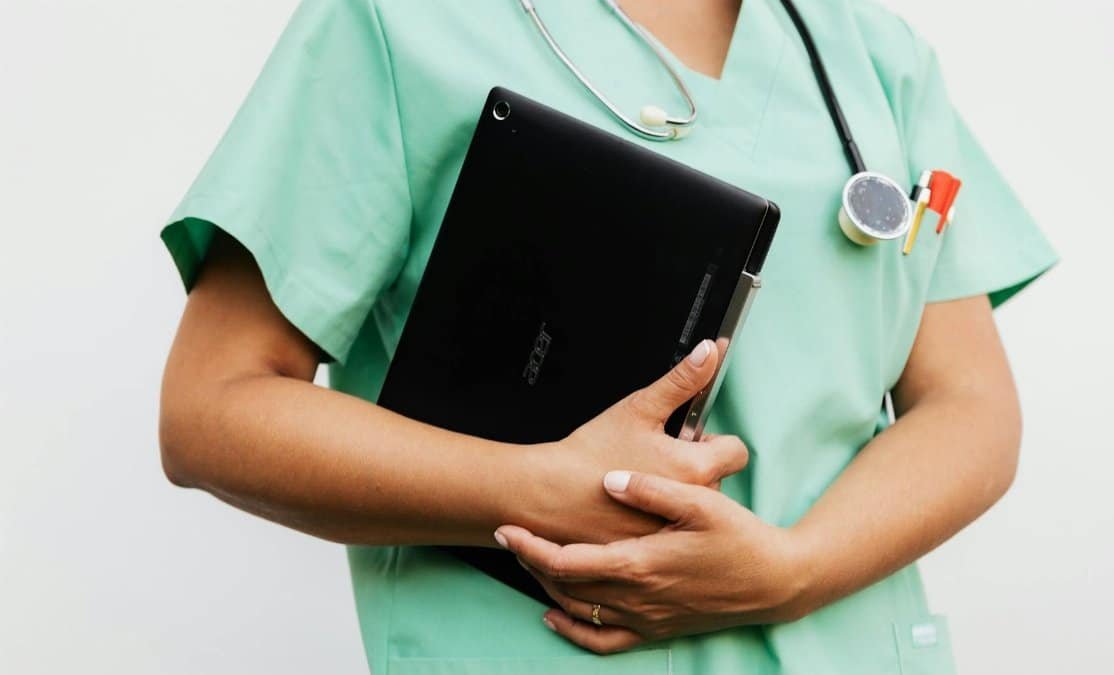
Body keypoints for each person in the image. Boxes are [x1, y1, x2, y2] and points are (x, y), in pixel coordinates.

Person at [158, 0, 1057, 673]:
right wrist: (535, 488)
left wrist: (791, 570)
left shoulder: (869, 55)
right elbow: (213, 406)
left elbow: (969, 403)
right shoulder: (398, 24)